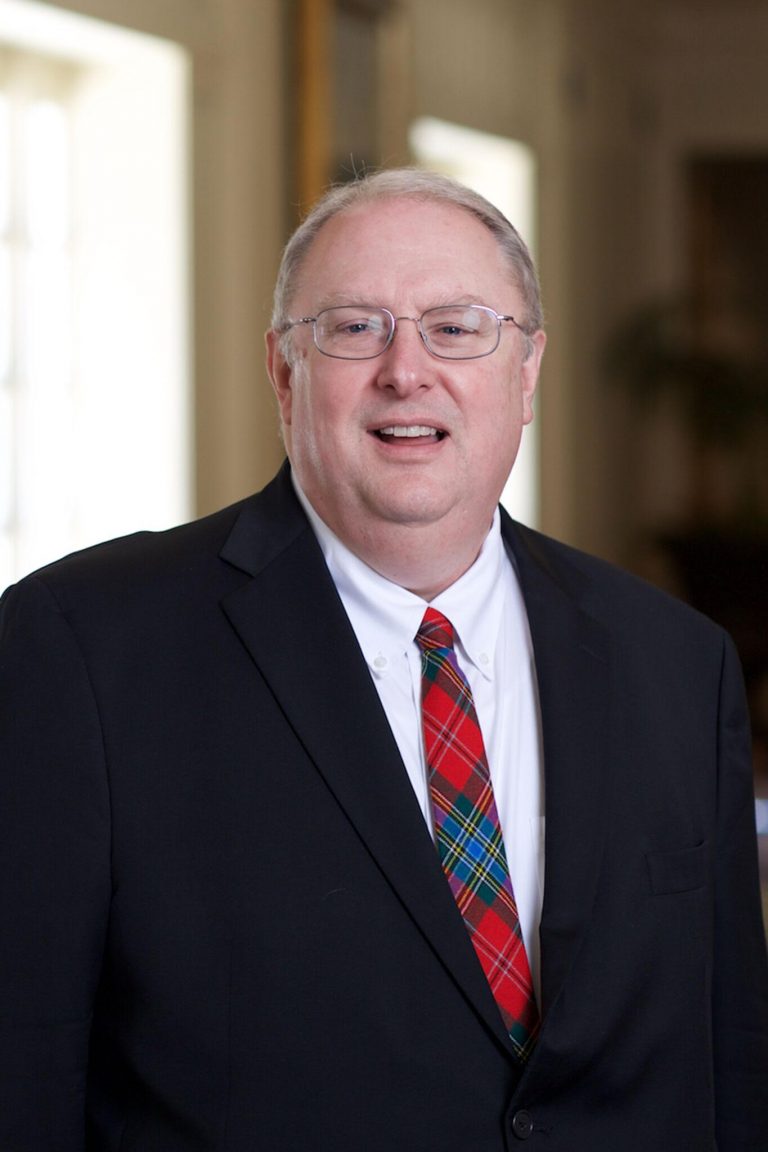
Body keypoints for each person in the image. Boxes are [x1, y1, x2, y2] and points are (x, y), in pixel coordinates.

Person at [1, 168, 767, 1152]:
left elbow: (731, 1065)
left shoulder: (677, 664)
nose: (407, 371)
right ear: (284, 374)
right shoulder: (84, 649)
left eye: (456, 326)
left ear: (526, 372)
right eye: (355, 328)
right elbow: (24, 1067)